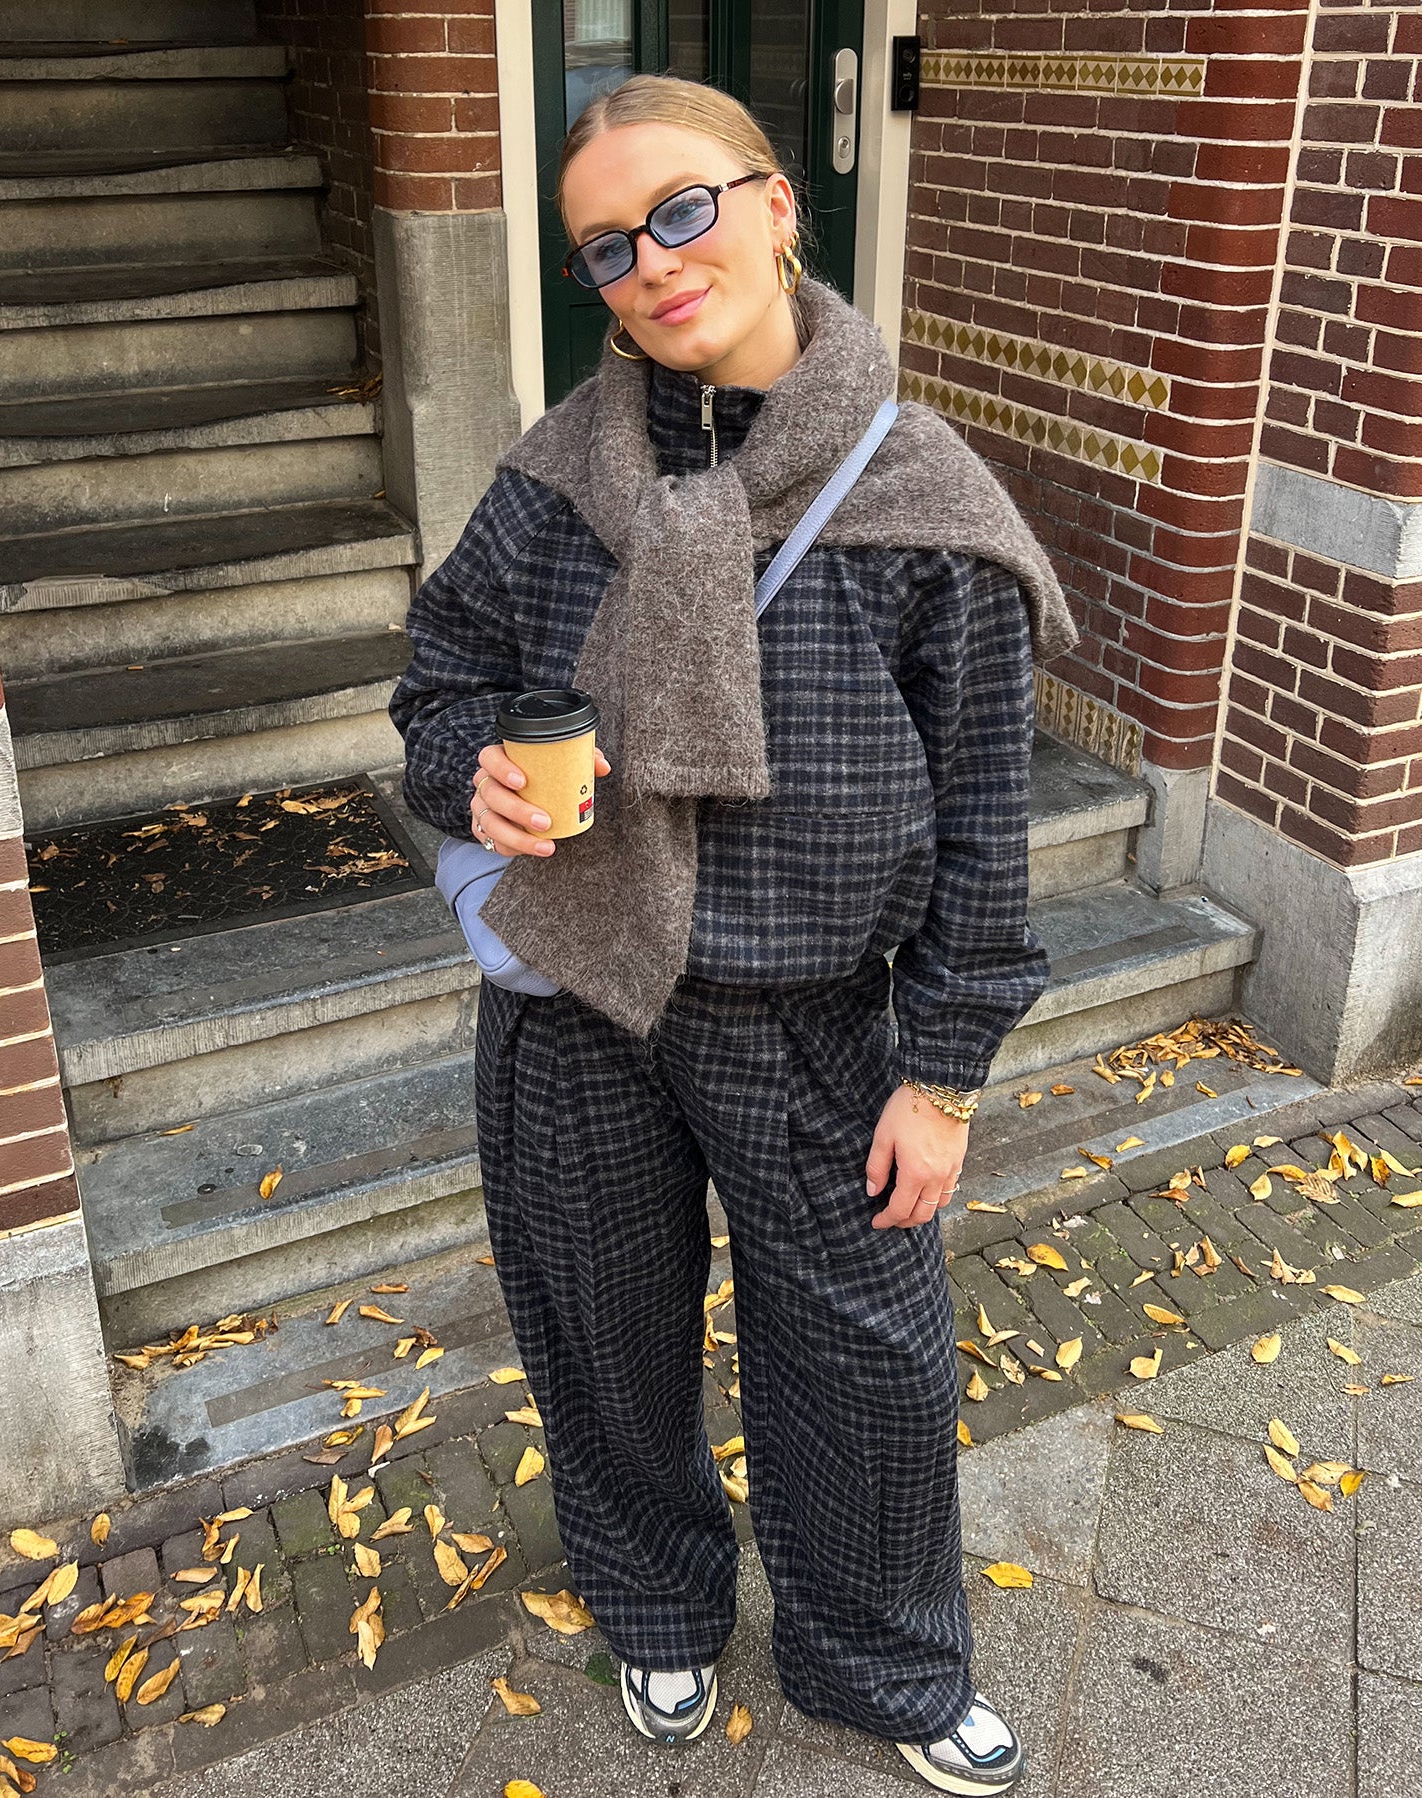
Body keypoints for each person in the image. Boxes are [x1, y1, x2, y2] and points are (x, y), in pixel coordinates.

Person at [390, 73, 1078, 1796]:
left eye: (680, 209)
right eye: (605, 245)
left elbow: (988, 828)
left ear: (779, 206)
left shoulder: (925, 500)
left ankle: (885, 1659)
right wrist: (469, 768)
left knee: (862, 1361)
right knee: (606, 1335)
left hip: (813, 1026)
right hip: (577, 1002)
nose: (647, 262)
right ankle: (661, 1610)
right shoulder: (553, 481)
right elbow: (439, 678)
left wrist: (948, 1076)